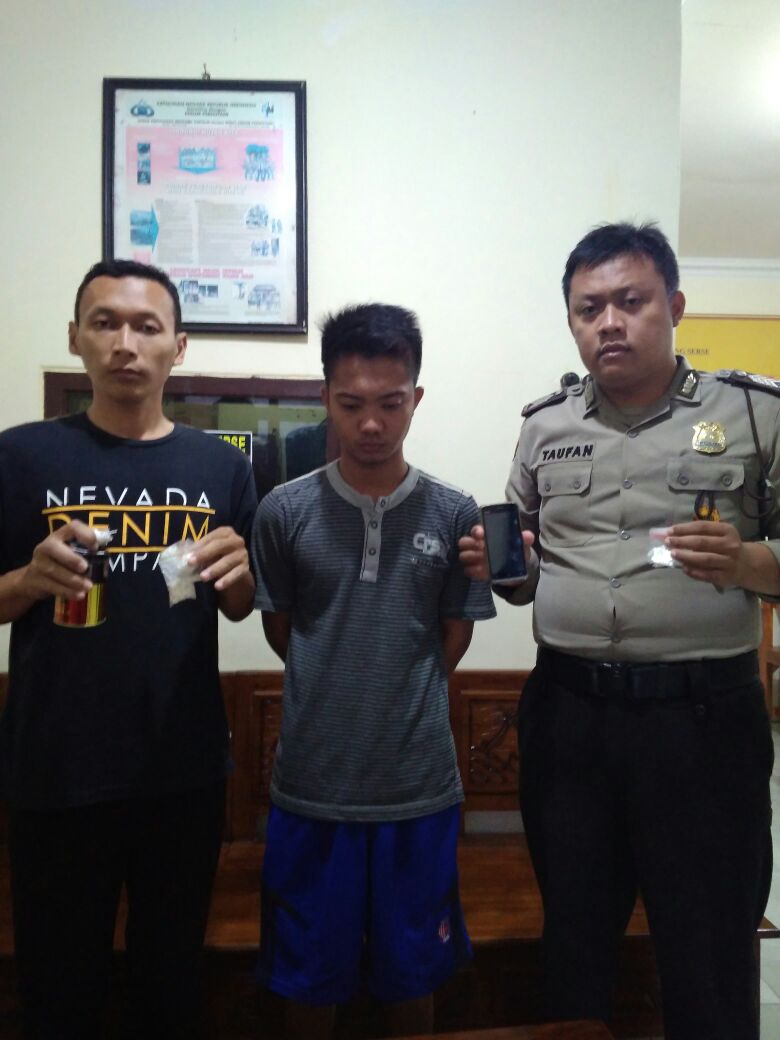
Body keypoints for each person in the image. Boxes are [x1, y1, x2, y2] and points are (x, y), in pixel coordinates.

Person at [459, 222, 779, 1040]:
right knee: (574, 941)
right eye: (588, 308)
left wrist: (747, 561)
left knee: (708, 952)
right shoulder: (545, 426)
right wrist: (504, 567)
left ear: (674, 305)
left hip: (702, 725)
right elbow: (525, 575)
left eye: (631, 301)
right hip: (571, 721)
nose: (609, 322)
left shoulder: (754, 413)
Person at [0, 259, 257, 1039]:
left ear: (178, 347)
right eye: (104, 322)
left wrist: (243, 572)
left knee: (169, 983)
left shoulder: (221, 466)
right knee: (56, 989)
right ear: (74, 337)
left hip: (181, 768)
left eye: (147, 326)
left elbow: (241, 607)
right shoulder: (20, 457)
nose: (125, 343)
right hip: (55, 769)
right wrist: (27, 580)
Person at [251, 303, 495, 1039]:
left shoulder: (454, 512)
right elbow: (283, 631)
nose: (370, 424)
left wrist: (396, 680)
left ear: (415, 398)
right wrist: (337, 672)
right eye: (351, 403)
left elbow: (452, 637)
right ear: (326, 396)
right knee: (307, 980)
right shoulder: (283, 511)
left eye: (390, 404)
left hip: (417, 789)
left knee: (412, 977)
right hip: (311, 788)